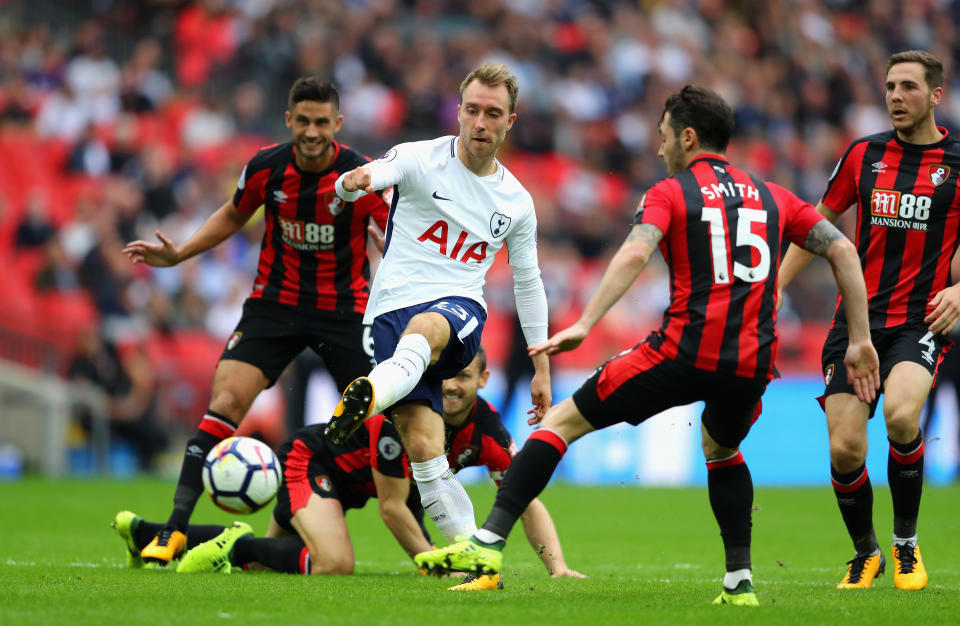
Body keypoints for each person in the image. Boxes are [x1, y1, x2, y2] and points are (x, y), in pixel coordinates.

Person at [414, 85, 880, 607]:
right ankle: (740, 582)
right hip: (751, 362)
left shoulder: (671, 192)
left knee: (559, 422)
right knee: (722, 448)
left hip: (683, 351)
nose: (659, 149)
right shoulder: (773, 194)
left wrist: (587, 322)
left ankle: (487, 543)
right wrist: (859, 338)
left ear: (686, 136)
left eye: (663, 138)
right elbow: (841, 248)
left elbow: (637, 252)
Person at [120, 77, 387, 565]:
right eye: (302, 120)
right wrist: (180, 254)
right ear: (289, 120)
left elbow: (394, 236)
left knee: (381, 421)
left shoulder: (361, 176)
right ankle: (173, 529)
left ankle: (414, 536)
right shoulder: (266, 167)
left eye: (321, 122)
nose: (311, 131)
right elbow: (232, 214)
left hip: (345, 310)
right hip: (274, 305)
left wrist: (396, 261)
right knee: (225, 401)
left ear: (338, 125)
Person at [112, 349, 581, 590]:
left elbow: (524, 499)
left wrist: (557, 568)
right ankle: (231, 546)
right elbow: (394, 509)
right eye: (445, 376)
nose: (452, 387)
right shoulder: (408, 417)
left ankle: (145, 533)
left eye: (463, 377)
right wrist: (434, 566)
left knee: (276, 559)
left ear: (483, 379)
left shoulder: (490, 432)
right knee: (333, 565)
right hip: (313, 463)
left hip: (357, 485)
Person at [323, 63, 551, 548]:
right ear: (459, 111)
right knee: (426, 448)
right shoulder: (418, 157)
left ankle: (368, 397)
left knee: (428, 326)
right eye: (472, 110)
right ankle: (474, 561)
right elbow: (372, 175)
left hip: (458, 311)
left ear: (511, 121)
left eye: (493, 113)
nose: (480, 123)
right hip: (389, 312)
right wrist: (354, 182)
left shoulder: (516, 201)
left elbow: (528, 283)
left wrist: (541, 364)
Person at [776, 50, 960, 591]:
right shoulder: (864, 156)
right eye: (889, 87)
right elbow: (818, 224)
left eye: (907, 87)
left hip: (919, 321)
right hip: (855, 322)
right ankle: (867, 552)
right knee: (845, 448)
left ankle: (906, 543)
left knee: (902, 418)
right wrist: (774, 289)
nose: (896, 97)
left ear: (935, 96)